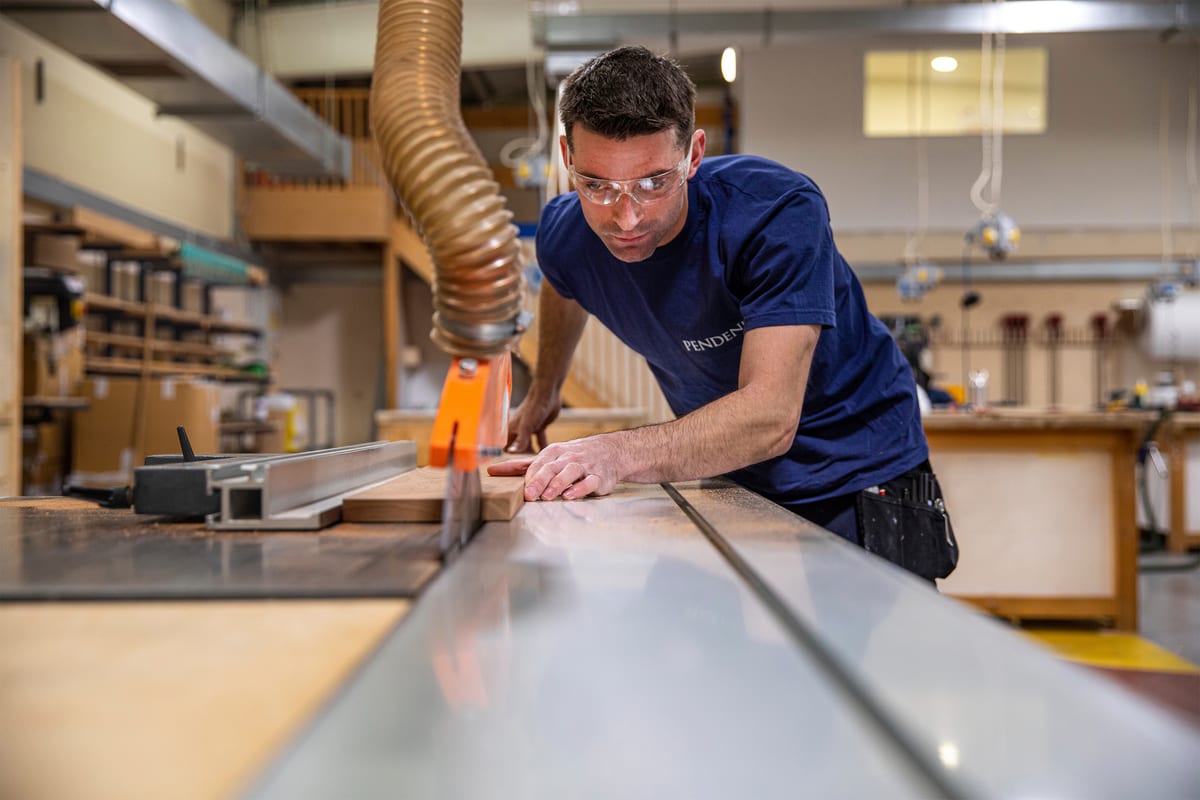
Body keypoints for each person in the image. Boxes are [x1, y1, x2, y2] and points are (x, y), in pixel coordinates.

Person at [488, 46, 956, 580]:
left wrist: (613, 454)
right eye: (597, 185)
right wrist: (545, 390)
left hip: (854, 469)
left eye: (653, 182)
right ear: (568, 158)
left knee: (856, 654)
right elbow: (562, 283)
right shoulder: (567, 231)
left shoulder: (775, 214)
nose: (625, 217)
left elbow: (769, 417)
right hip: (729, 473)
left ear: (693, 154)